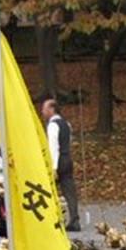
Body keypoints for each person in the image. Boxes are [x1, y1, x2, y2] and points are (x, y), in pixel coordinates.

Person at [40, 98, 80, 232]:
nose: (42, 112)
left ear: (51, 110)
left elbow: (53, 147)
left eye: (45, 109)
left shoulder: (52, 126)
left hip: (58, 161)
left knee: (47, 190)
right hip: (67, 158)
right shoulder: (66, 124)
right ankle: (74, 219)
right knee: (69, 191)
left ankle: (48, 218)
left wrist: (54, 167)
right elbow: (69, 141)